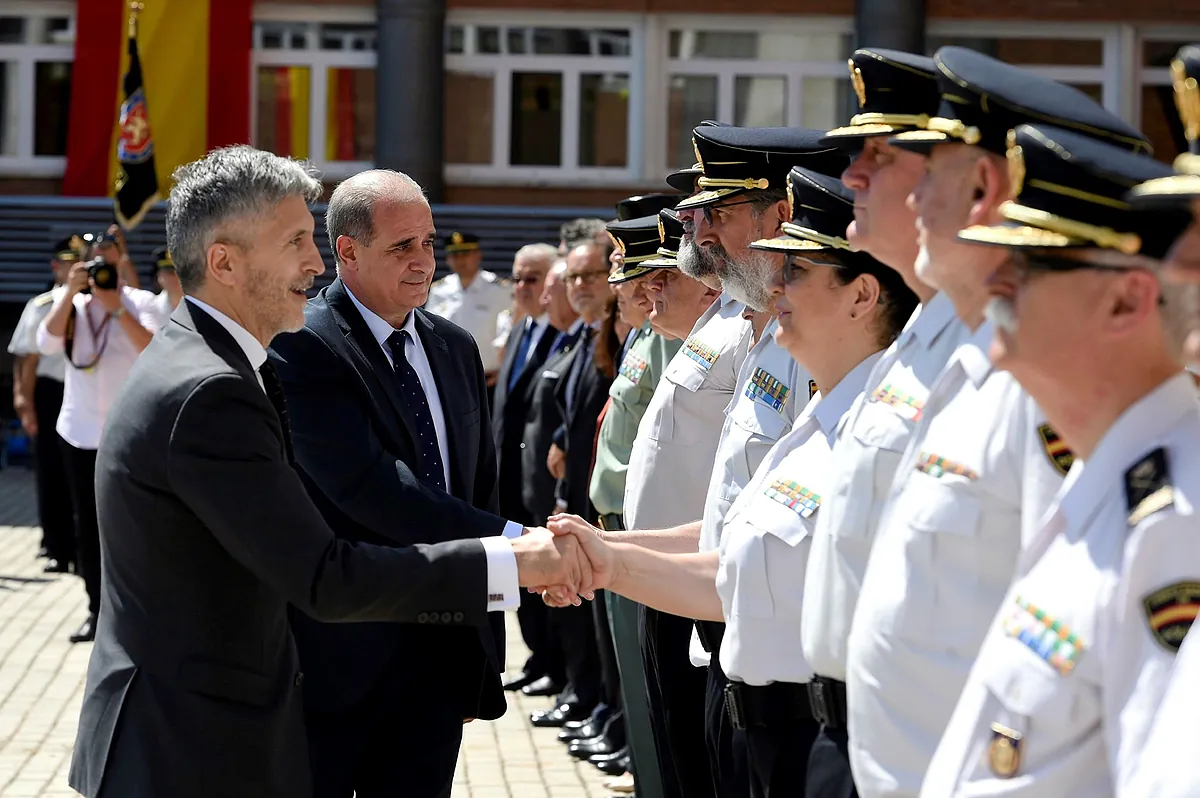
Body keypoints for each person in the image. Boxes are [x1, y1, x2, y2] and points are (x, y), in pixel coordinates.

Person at [66, 145, 587, 798]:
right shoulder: (210, 391)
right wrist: (520, 561)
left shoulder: (202, 360)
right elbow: (324, 575)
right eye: (295, 242)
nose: (315, 264)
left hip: (202, 739)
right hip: (192, 752)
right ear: (224, 261)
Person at [546, 165, 918, 798]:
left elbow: (743, 578)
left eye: (797, 272)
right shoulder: (827, 411)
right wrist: (607, 553)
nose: (780, 288)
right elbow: (733, 539)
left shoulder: (884, 421)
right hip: (751, 698)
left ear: (861, 297)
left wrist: (603, 563)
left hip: (815, 725)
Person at [845, 47, 1152, 798]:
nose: (912, 195)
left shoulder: (1044, 386)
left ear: (985, 186)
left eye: (930, 170)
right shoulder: (974, 360)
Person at [920, 123, 1198, 797]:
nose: (996, 280)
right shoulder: (1108, 472)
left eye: (1029, 265)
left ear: (1128, 298)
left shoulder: (1172, 521)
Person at [265, 169, 530, 798]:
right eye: (401, 246)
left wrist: (481, 647)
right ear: (347, 251)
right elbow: (375, 489)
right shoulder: (302, 344)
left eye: (428, 243)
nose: (423, 262)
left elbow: (475, 489)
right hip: (340, 662)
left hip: (439, 658)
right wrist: (523, 550)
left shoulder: (456, 347)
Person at [800, 47, 949, 798]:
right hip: (848, 730)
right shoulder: (918, 342)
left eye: (881, 156)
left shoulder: (993, 360)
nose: (851, 176)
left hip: (917, 754)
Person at [579, 200, 684, 795]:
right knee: (634, 671)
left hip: (642, 525)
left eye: (627, 272)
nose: (620, 285)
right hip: (617, 515)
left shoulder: (672, 338)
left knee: (654, 683)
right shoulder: (648, 336)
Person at [37, 223, 162, 644]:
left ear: (119, 259)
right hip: (80, 434)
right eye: (94, 261)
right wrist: (72, 293)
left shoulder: (139, 301)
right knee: (87, 528)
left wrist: (116, 306)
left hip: (129, 436)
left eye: (108, 257)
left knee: (134, 527)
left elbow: (154, 348)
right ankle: (96, 610)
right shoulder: (70, 303)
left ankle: (137, 612)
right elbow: (47, 342)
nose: (101, 266)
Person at [532, 238, 618, 730]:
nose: (581, 286)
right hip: (576, 495)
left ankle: (603, 708)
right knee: (586, 619)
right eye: (574, 278)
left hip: (597, 502)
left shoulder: (611, 336)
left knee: (598, 619)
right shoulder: (588, 336)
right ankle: (592, 700)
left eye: (590, 276)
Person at [492, 242, 562, 694]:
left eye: (532, 278)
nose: (521, 288)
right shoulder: (520, 332)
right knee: (519, 577)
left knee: (546, 576)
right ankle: (537, 657)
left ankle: (558, 665)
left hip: (540, 477)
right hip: (508, 476)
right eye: (516, 278)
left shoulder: (565, 335)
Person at [8, 235, 79, 574]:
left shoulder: (101, 303)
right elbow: (26, 359)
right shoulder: (40, 306)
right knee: (50, 470)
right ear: (56, 265)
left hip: (88, 393)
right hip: (51, 393)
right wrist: (23, 401)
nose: (74, 267)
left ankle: (83, 548)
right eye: (68, 261)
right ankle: (55, 546)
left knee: (82, 473)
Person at [424, 231, 514, 388]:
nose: (460, 260)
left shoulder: (499, 290)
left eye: (465, 254)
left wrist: (505, 369)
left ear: (478, 255)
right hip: (449, 379)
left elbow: (513, 330)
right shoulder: (439, 291)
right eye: (454, 255)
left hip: (489, 380)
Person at [150, 246, 184, 318]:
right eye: (170, 273)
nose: (176, 277)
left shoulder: (201, 307)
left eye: (180, 273)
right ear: (158, 276)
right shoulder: (150, 308)